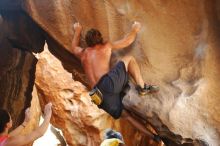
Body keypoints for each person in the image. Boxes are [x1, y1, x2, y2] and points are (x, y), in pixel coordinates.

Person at [70, 22, 161, 142]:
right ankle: (142, 86)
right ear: (100, 38)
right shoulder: (105, 46)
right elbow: (127, 41)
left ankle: (154, 137)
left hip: (97, 96)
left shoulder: (83, 54)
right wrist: (135, 29)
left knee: (127, 116)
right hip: (107, 84)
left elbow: (74, 47)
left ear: (87, 42)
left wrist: (77, 30)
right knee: (129, 59)